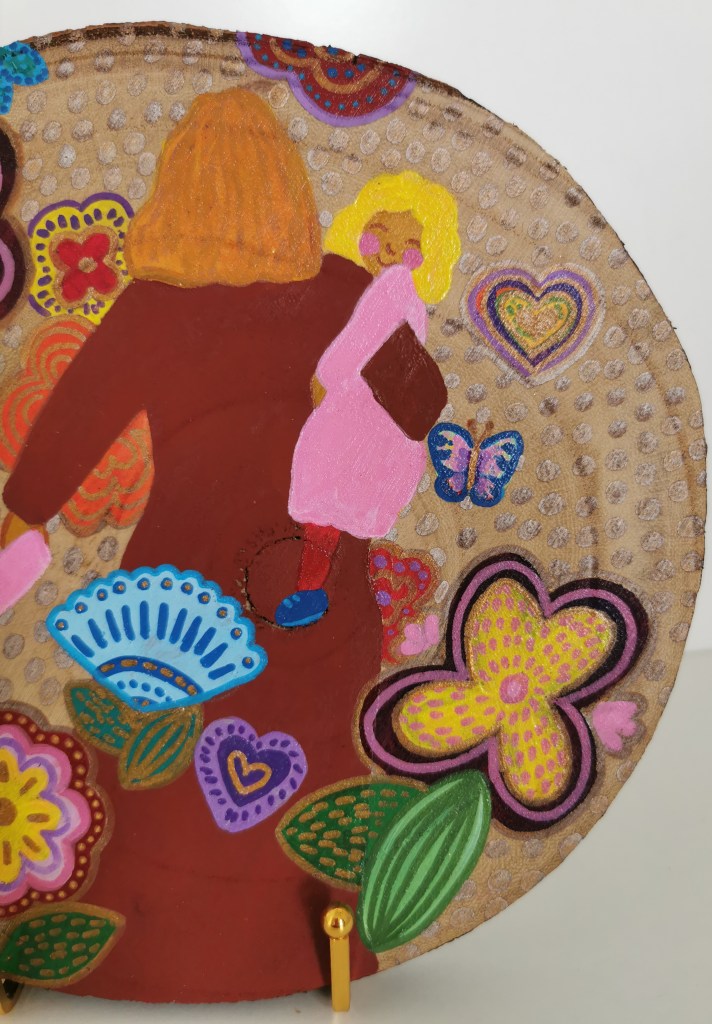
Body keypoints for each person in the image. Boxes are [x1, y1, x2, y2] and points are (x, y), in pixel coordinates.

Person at [0, 88, 449, 1003]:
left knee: (158, 769)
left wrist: (21, 521)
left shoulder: (151, 310)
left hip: (177, 597)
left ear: (173, 190)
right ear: (288, 189)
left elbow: (64, 440)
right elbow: (420, 405)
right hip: (322, 581)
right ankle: (320, 941)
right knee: (317, 762)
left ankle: (141, 950)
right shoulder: (344, 291)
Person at [277, 171, 461, 627]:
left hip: (357, 419)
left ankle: (310, 591)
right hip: (385, 427)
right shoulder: (408, 297)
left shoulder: (392, 286)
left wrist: (323, 379)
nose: (391, 253)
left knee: (325, 511)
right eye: (378, 237)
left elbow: (355, 347)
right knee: (346, 517)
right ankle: (328, 594)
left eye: (408, 247)